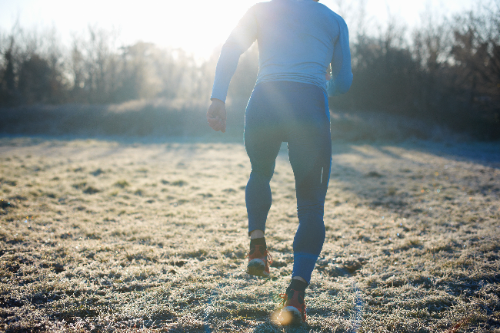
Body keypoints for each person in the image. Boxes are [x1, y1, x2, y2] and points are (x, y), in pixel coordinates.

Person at [207, 0, 352, 325]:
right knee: (312, 207)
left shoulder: (261, 9)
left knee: (260, 172)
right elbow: (343, 82)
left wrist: (218, 97)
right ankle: (296, 296)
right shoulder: (334, 20)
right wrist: (321, 82)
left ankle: (257, 245)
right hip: (310, 107)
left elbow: (232, 48)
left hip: (265, 102)